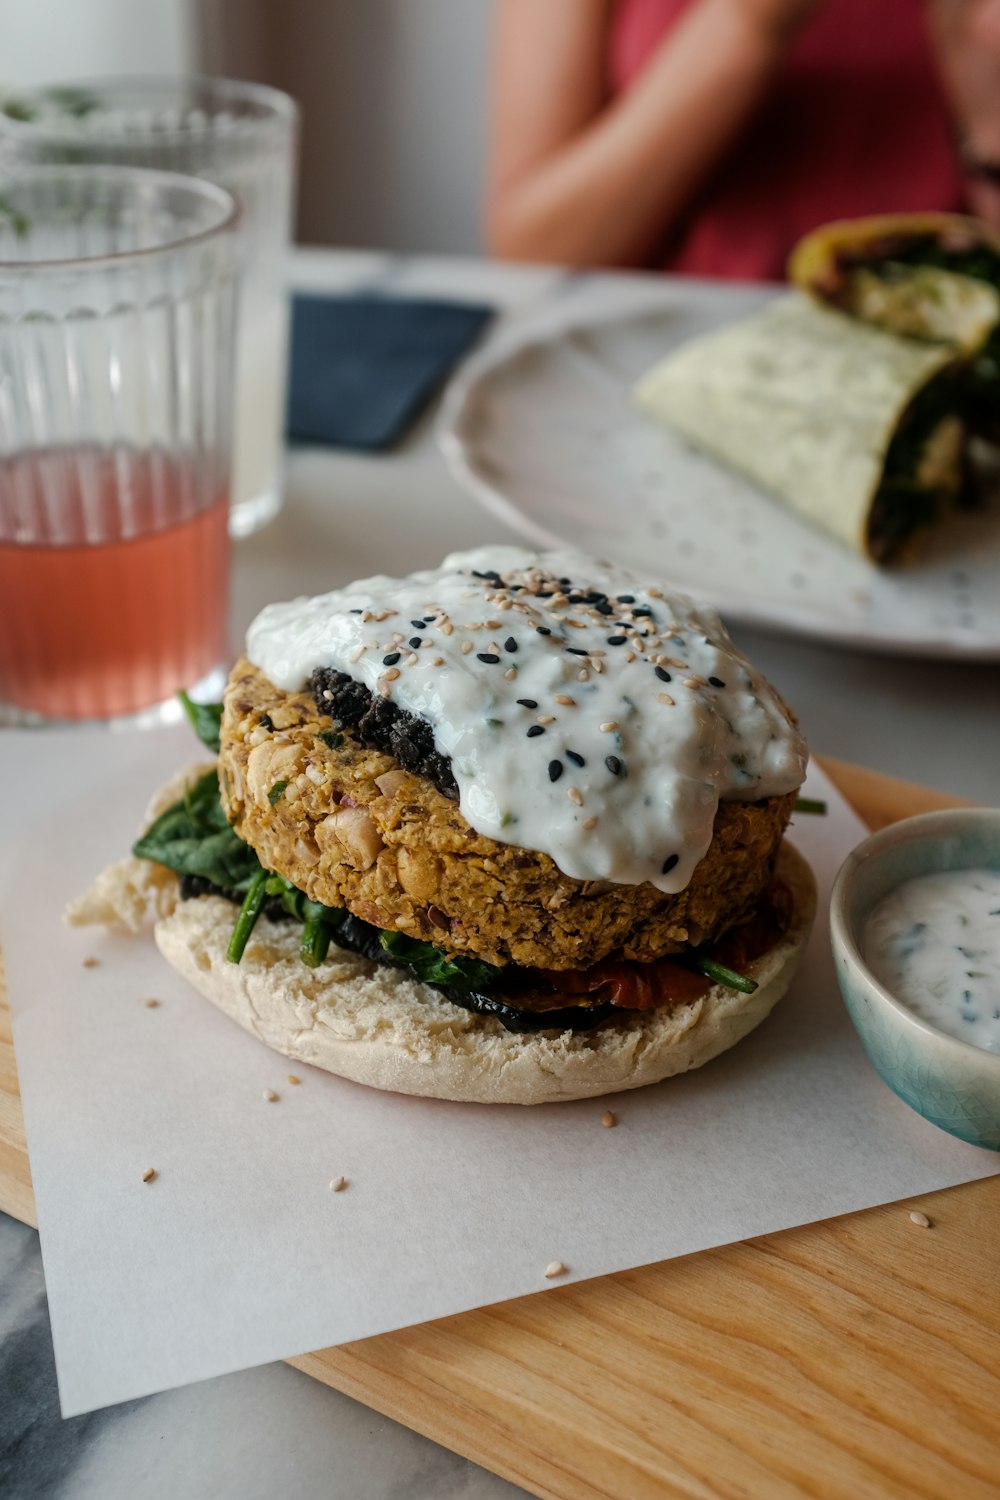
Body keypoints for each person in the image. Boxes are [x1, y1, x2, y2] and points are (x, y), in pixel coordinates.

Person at [485, 0, 1000, 280]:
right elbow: (535, 251)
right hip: (636, 377)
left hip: (936, 387)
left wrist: (985, 112)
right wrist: (749, 22)